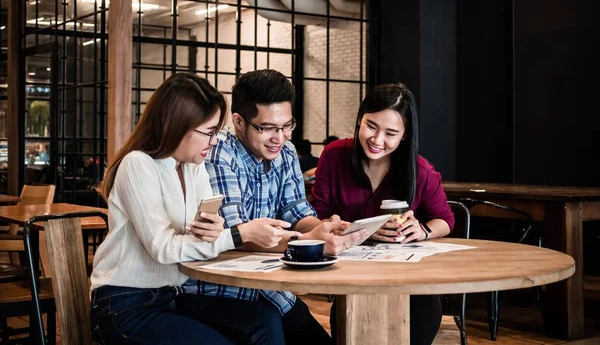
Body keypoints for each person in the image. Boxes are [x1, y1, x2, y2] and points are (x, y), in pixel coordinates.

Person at [91, 73, 299, 345]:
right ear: (178, 125)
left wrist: (218, 231)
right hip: (124, 304)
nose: (214, 142)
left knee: (266, 319)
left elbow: (208, 234)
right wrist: (237, 235)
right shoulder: (138, 164)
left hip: (173, 296)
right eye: (209, 132)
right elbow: (163, 248)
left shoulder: (193, 167)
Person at [204, 69, 368, 345]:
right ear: (239, 121)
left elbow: (296, 211)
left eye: (286, 126)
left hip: (270, 285)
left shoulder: (287, 152)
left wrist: (327, 229)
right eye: (267, 128)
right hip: (223, 287)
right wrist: (308, 241)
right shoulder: (219, 152)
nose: (279, 138)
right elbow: (237, 235)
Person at [310, 83, 455, 345]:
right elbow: (317, 216)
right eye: (371, 126)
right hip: (352, 284)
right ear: (359, 119)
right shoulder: (334, 156)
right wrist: (339, 226)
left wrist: (423, 230)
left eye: (391, 133)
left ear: (405, 135)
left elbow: (446, 220)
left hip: (412, 288)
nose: (377, 141)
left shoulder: (421, 171)